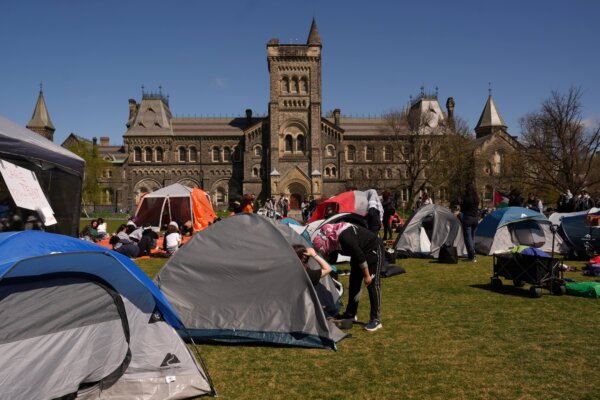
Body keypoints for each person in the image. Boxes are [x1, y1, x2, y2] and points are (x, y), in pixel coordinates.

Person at [312, 222, 383, 332]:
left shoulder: (344, 237)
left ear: (326, 242)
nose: (325, 252)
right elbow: (334, 256)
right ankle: (350, 314)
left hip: (372, 249)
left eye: (323, 250)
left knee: (373, 285)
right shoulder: (332, 238)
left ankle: (376, 319)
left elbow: (360, 256)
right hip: (359, 253)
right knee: (354, 283)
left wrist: (367, 275)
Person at [293, 244, 336, 318]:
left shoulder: (290, 271)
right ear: (304, 256)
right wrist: (314, 254)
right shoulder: (307, 274)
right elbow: (328, 269)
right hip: (309, 307)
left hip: (295, 305)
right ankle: (326, 315)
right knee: (318, 286)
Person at [459, 183, 479, 262]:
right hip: (475, 219)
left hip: (468, 218)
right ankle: (473, 253)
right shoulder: (476, 198)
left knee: (468, 238)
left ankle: (471, 256)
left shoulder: (465, 198)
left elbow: (462, 210)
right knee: (472, 237)